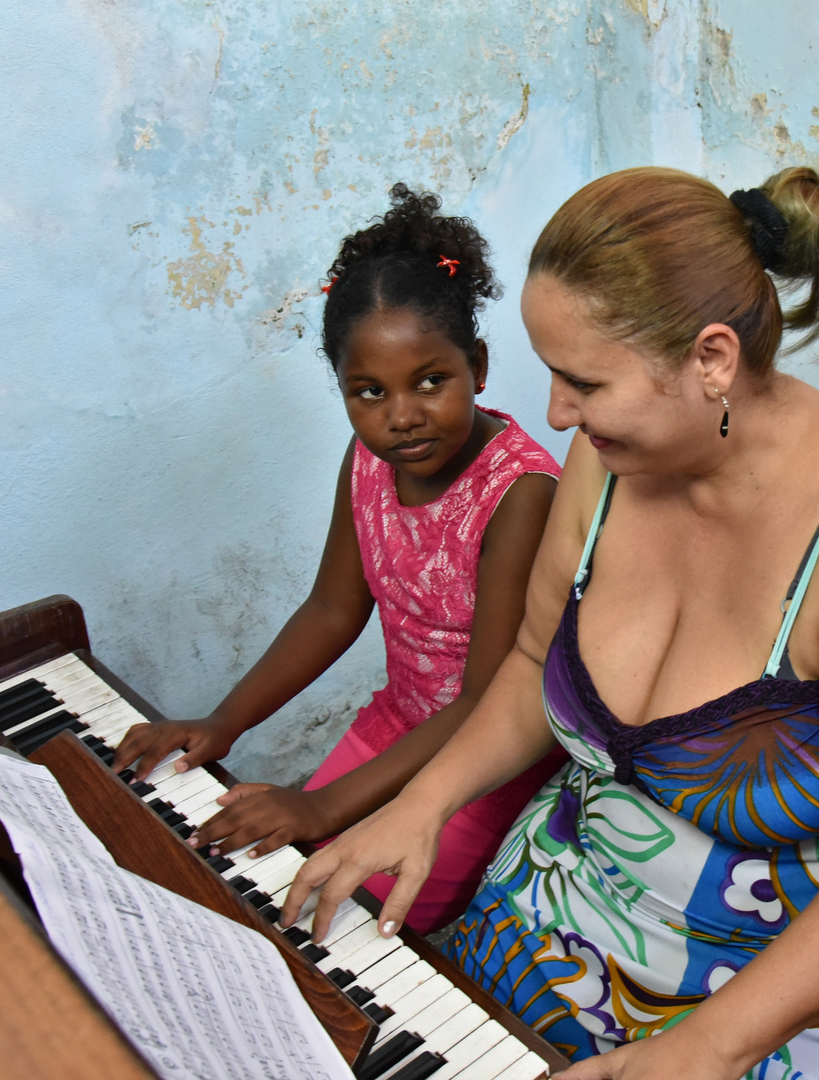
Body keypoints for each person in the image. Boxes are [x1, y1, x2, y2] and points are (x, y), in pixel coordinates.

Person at [279, 166, 819, 1080]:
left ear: (710, 360)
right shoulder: (605, 460)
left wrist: (704, 1048)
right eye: (552, 375)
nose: (553, 414)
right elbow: (525, 658)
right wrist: (421, 805)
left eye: (581, 380)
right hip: (597, 870)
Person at [113, 184, 566, 934]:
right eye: (368, 392)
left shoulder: (520, 494)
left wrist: (322, 803)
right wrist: (221, 725)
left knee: (343, 919)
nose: (402, 415)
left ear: (477, 366)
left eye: (431, 381)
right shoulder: (367, 461)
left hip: (482, 762)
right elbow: (331, 609)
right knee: (269, 875)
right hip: (401, 724)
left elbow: (486, 701)